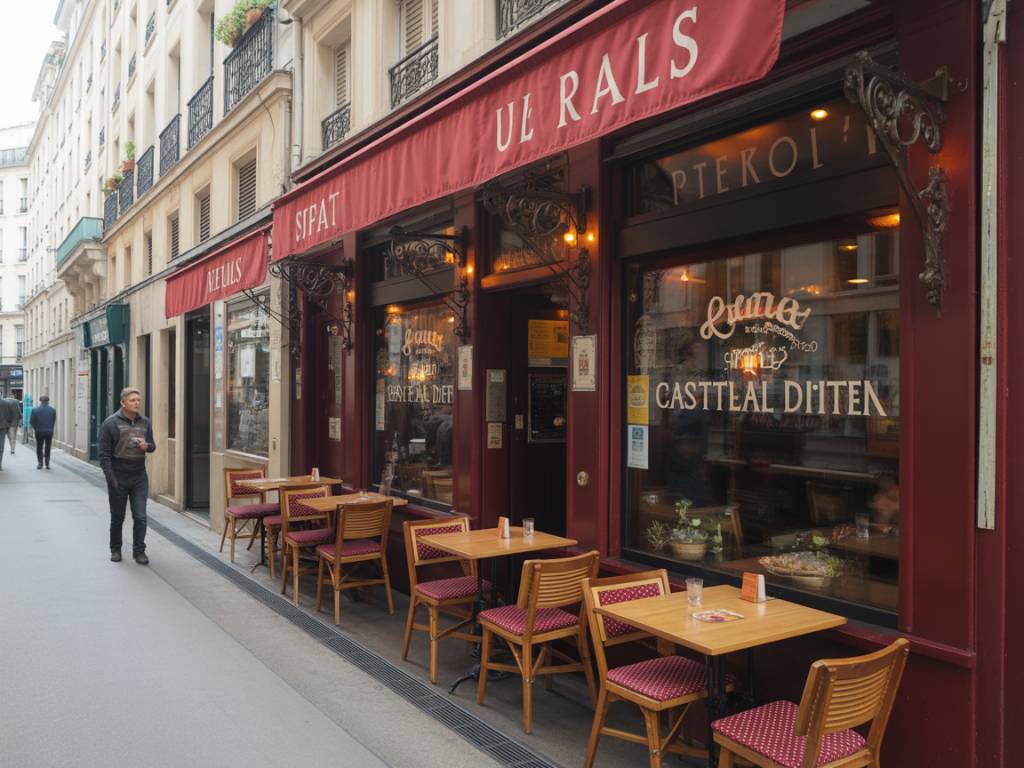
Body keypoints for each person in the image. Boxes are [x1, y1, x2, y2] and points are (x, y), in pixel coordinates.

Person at [99, 387, 156, 565]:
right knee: (118, 516)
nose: (137, 403)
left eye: (138, 400)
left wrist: (148, 446)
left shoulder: (145, 422)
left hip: (139, 475)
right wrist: (112, 479)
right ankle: (115, 549)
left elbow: (153, 446)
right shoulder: (110, 423)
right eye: (132, 400)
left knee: (140, 516)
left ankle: (139, 551)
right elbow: (104, 455)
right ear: (123, 403)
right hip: (119, 475)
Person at [29, 394, 57, 469]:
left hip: (39, 431)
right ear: (48, 401)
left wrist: (36, 428)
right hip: (49, 431)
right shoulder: (53, 410)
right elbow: (53, 420)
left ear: (40, 401)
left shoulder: (35, 410)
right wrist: (50, 428)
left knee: (39, 447)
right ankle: (47, 463)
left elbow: (31, 421)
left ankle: (40, 463)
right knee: (48, 447)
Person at [0, 396, 19, 470]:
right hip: (3, 427)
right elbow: (11, 416)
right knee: (1, 446)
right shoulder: (6, 403)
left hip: (3, 426)